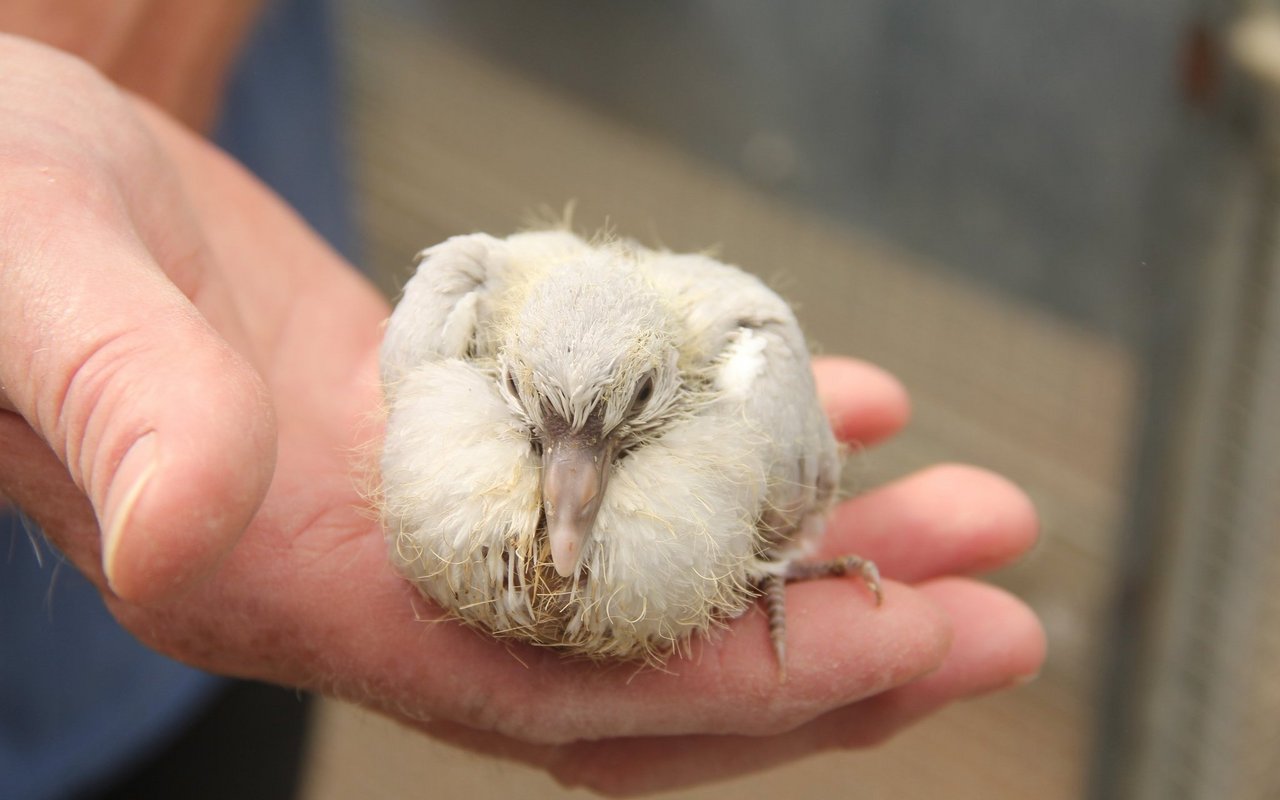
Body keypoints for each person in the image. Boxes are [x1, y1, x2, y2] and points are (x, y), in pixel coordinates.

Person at [0, 2, 1046, 796]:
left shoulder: (742, 367)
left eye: (609, 426)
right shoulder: (465, 303)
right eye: (535, 418)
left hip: (147, 700)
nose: (568, 491)